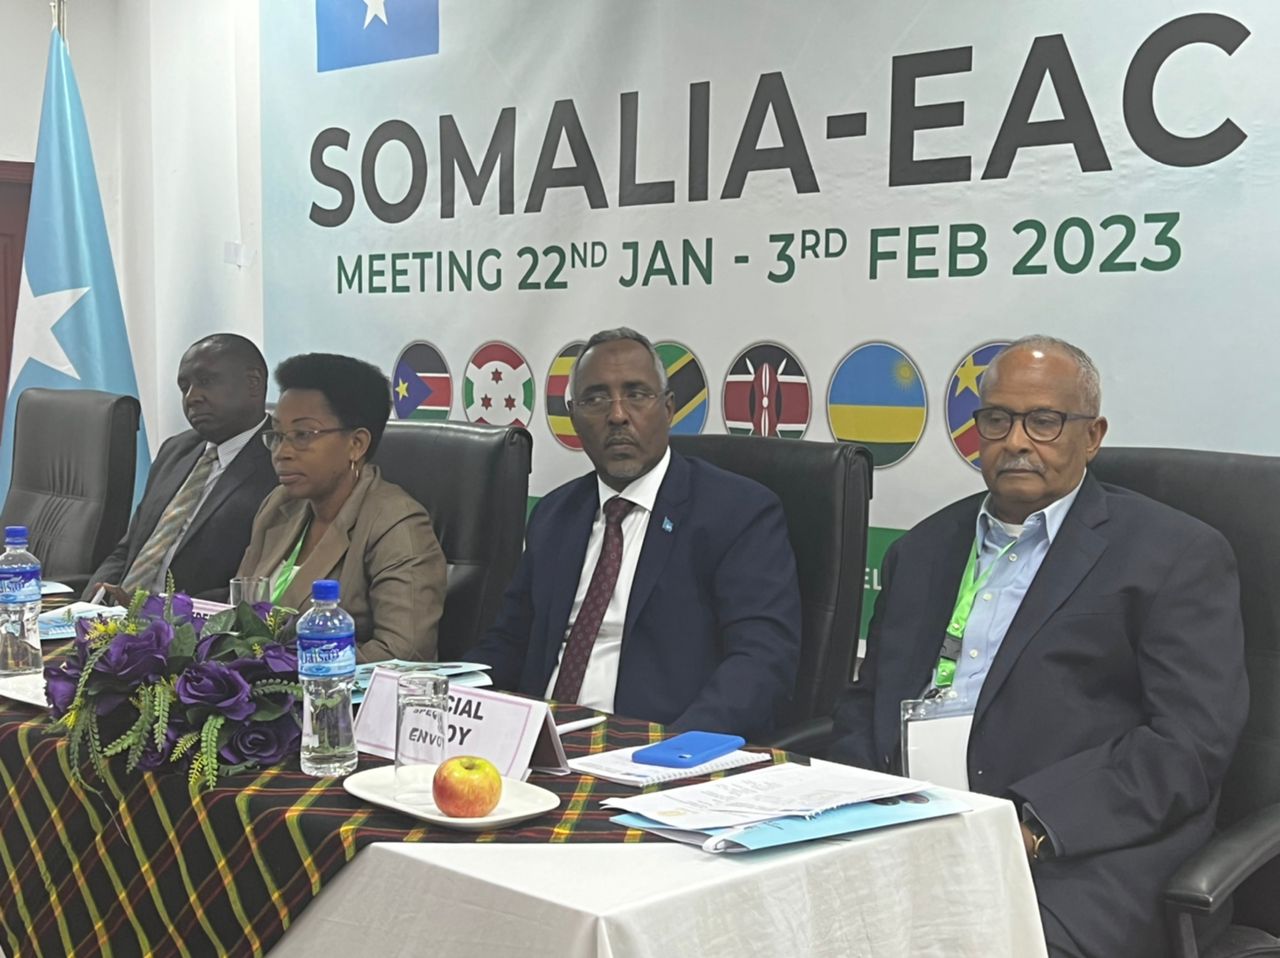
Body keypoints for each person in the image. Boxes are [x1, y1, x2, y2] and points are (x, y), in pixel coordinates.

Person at [828, 336, 1248, 958]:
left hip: (1073, 853)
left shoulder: (1173, 554)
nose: (1017, 441)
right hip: (905, 826)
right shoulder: (921, 550)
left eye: (1044, 421)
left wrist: (1030, 825)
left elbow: (1189, 743)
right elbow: (868, 703)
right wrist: (853, 805)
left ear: (1093, 435)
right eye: (997, 419)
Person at [469, 327, 801, 739]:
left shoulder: (736, 513)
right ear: (573, 416)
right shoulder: (555, 515)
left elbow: (761, 662)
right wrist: (452, 700)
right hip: (538, 744)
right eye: (595, 399)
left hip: (656, 747)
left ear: (669, 408)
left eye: (637, 394)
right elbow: (507, 643)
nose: (617, 415)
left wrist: (676, 752)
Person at [237, 352, 446, 663]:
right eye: (278, 436)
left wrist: (288, 672)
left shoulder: (396, 523)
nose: (282, 452)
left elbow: (404, 656)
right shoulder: (280, 505)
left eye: (303, 435)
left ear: (357, 444)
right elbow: (240, 613)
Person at [86, 333, 277, 602]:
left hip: (193, 632)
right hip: (115, 626)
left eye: (206, 382)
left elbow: (258, 584)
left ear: (253, 383)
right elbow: (130, 549)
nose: (192, 397)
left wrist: (153, 613)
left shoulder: (281, 463)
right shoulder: (175, 450)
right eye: (184, 387)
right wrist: (90, 605)